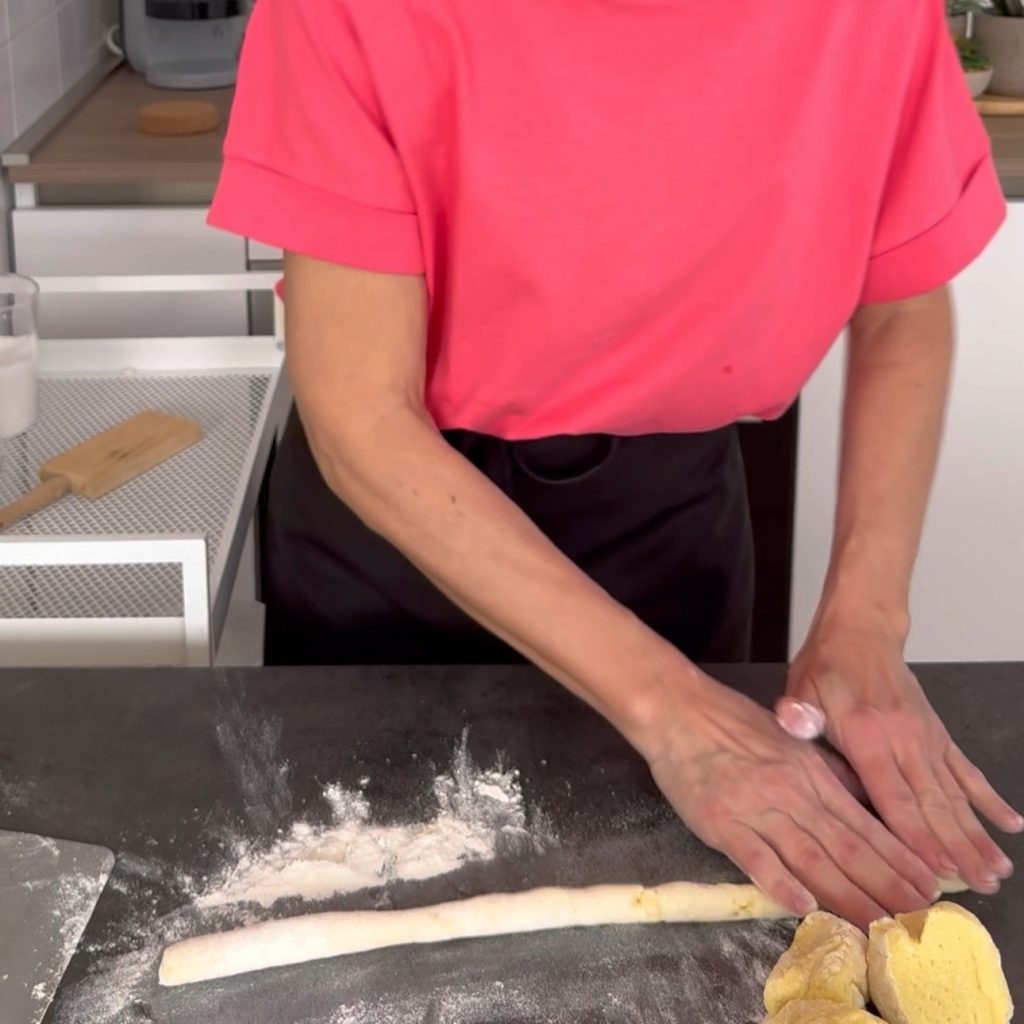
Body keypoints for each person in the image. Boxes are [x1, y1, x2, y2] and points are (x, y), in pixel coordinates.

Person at [207, 0, 1022, 930]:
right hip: (401, 541)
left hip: (672, 528)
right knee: (360, 915)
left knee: (689, 930)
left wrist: (866, 622)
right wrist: (675, 713)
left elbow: (902, 304)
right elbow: (361, 416)